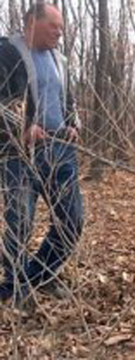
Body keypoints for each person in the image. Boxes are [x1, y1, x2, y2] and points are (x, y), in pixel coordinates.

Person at [0, 2, 83, 308]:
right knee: (20, 221)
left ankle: (40, 276)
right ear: (31, 22)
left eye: (61, 28)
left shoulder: (58, 58)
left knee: (72, 221)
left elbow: (67, 97)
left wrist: (73, 123)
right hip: (20, 153)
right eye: (54, 26)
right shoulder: (7, 53)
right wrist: (22, 128)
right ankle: (16, 287)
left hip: (61, 150)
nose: (60, 33)